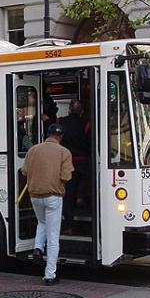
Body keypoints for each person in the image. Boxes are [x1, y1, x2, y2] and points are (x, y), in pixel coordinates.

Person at [21, 123, 74, 285]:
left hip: (35, 195)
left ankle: (37, 247)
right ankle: (50, 274)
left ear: (47, 134)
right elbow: (66, 177)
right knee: (53, 237)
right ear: (61, 137)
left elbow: (24, 171)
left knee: (42, 222)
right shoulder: (64, 152)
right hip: (53, 196)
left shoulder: (33, 150)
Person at [59, 99, 91, 235]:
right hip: (83, 162)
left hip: (67, 162)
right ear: (82, 111)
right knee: (84, 183)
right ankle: (80, 196)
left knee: (68, 195)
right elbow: (90, 144)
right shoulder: (87, 124)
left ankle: (69, 225)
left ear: (69, 110)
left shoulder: (61, 122)